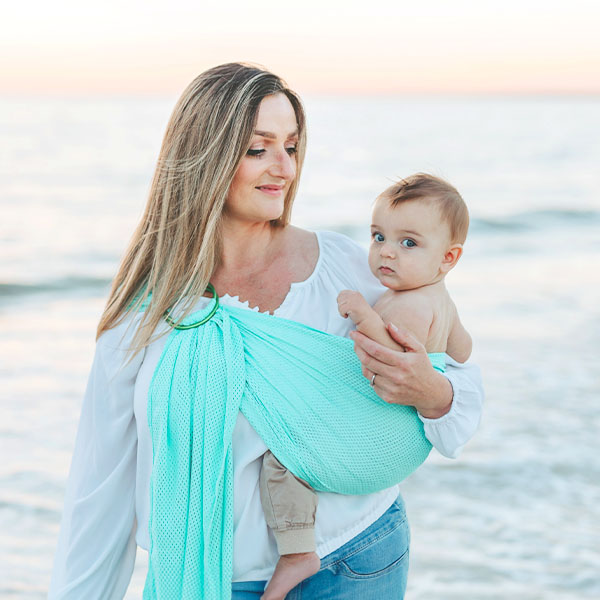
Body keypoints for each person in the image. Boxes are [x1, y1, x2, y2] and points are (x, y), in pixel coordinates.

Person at [49, 63, 484, 600]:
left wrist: (435, 395)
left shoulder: (351, 269)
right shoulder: (145, 315)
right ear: (205, 159)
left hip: (358, 558)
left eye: (292, 147)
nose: (284, 169)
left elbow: (459, 397)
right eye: (259, 149)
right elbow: (101, 487)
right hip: (216, 585)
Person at [259, 173, 473, 600]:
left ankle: (298, 550)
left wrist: (362, 313)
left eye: (408, 243)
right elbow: (462, 353)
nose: (386, 253)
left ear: (448, 258)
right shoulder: (439, 299)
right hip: (400, 443)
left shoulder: (410, 303)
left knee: (283, 461)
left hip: (384, 439)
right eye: (378, 237)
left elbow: (387, 351)